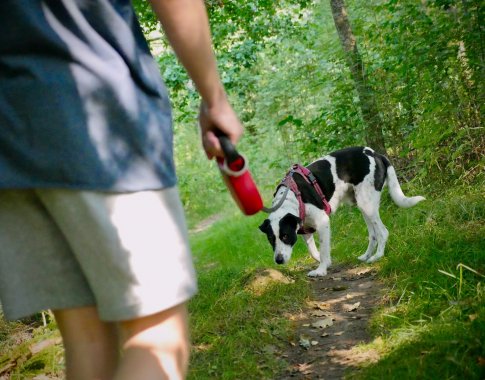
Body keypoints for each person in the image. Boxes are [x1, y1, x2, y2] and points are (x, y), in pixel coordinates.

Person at [0, 0, 243, 379]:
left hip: (11, 138)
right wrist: (215, 98)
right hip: (97, 117)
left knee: (88, 344)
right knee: (158, 337)